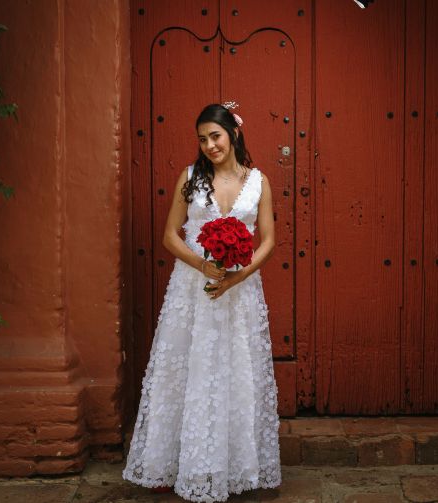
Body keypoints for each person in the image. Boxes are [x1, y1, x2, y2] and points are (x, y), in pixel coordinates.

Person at [122, 103, 282, 502]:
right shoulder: (190, 179)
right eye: (202, 139)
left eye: (216, 136)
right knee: (184, 369)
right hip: (192, 291)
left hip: (240, 292)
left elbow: (268, 241)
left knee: (236, 370)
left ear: (233, 134)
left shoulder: (259, 182)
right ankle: (167, 463)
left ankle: (237, 466)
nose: (209, 145)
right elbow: (170, 236)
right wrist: (201, 265)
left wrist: (236, 277)